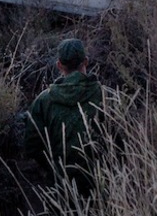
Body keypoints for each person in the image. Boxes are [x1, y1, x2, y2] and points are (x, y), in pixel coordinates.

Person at [25, 38, 104, 195]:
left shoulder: (43, 100)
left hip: (60, 185)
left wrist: (53, 169)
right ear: (86, 62)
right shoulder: (105, 96)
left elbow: (32, 146)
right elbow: (121, 141)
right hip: (100, 184)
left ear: (59, 65)